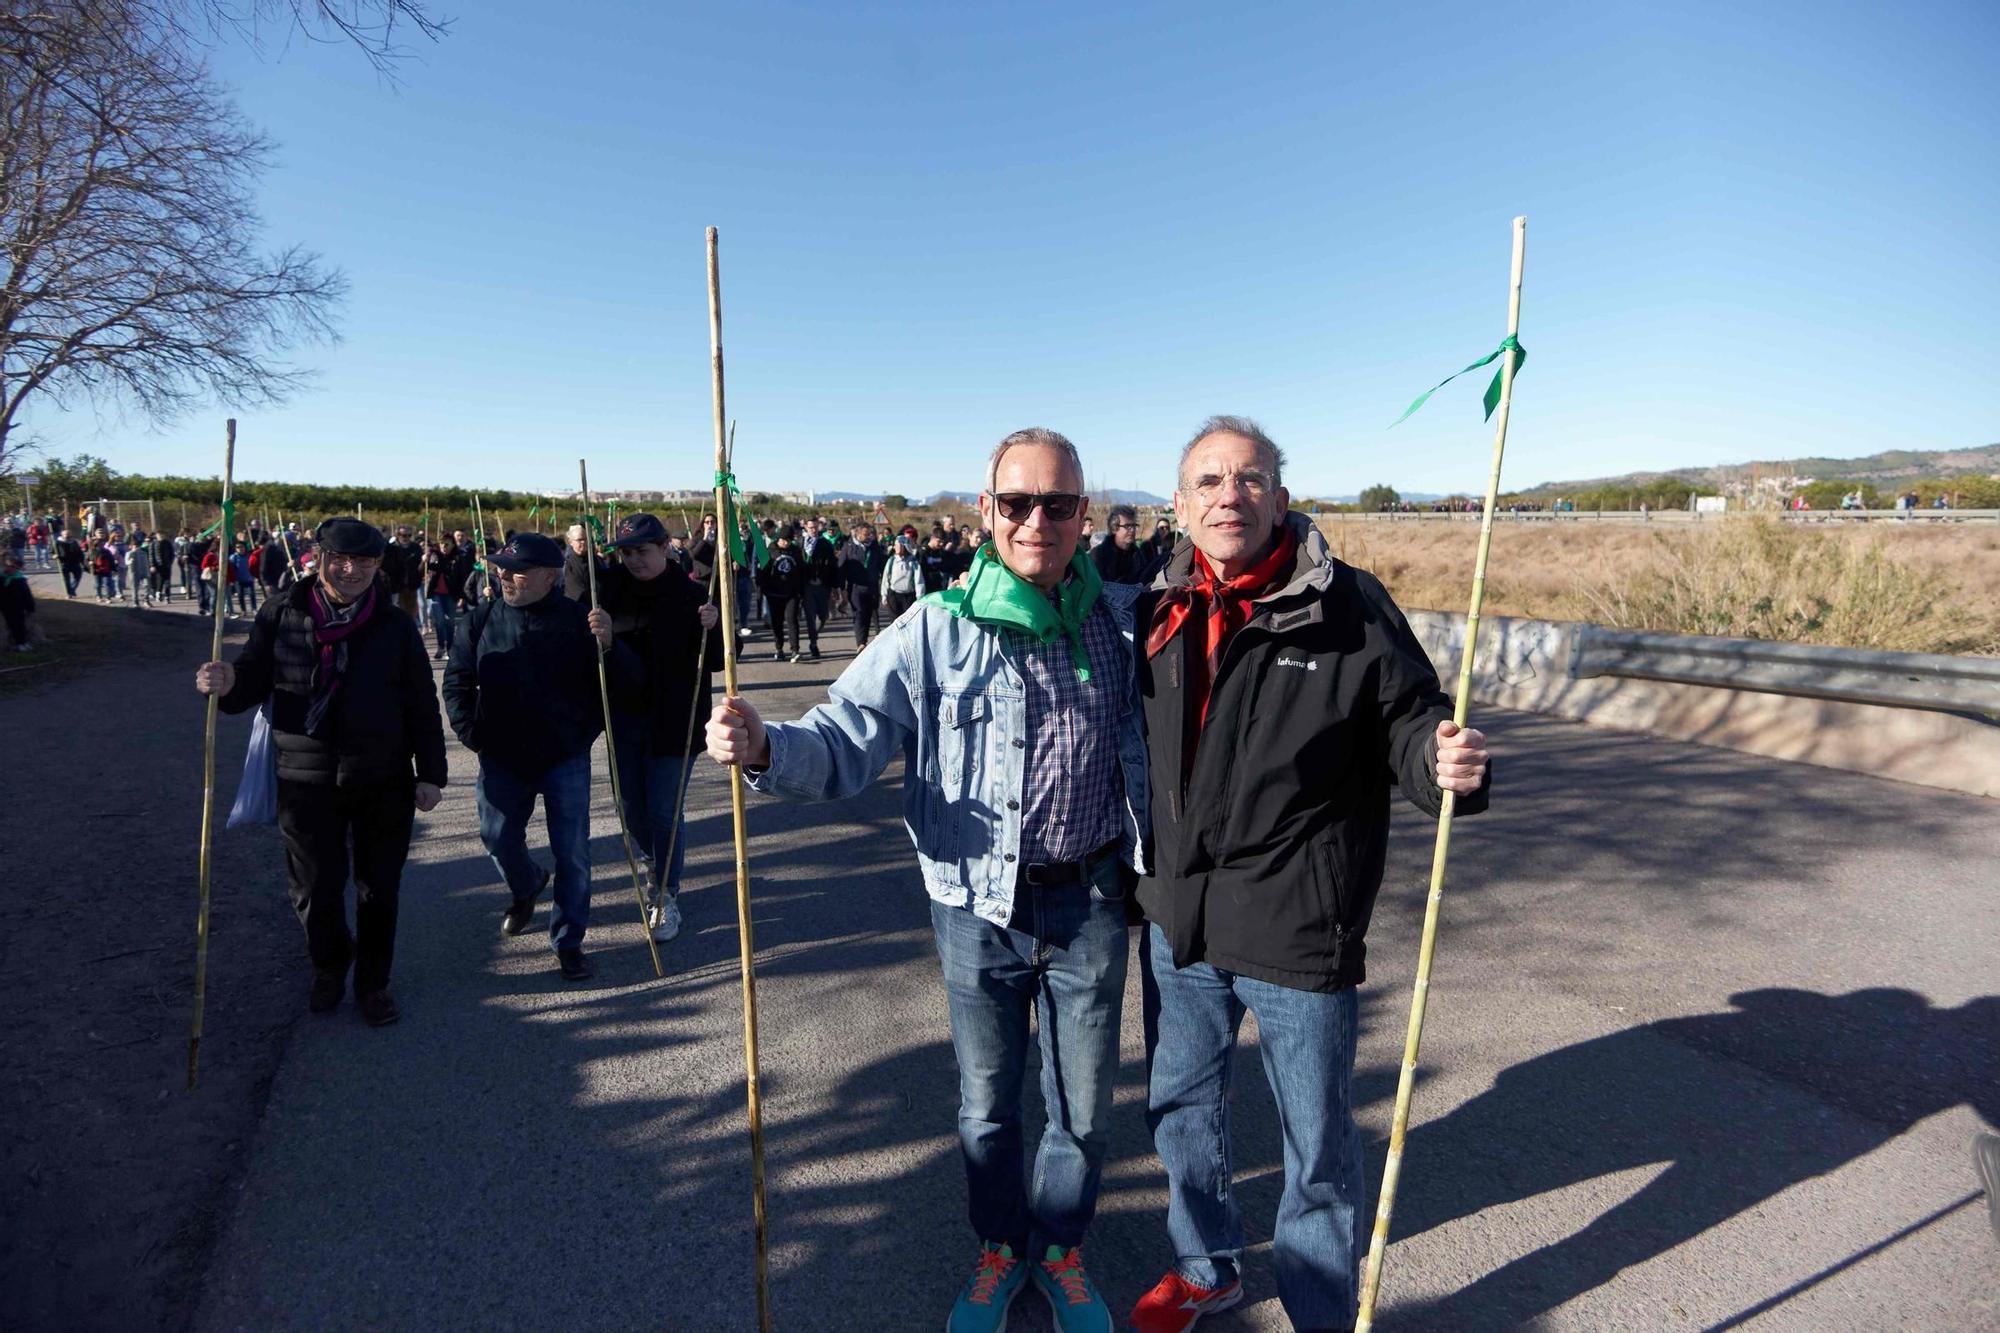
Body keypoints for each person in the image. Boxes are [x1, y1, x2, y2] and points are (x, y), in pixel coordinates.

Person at [707, 427, 1148, 1333]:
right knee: (988, 1105)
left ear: (1084, 516)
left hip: (1093, 900)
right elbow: (844, 736)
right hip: (974, 907)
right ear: (985, 512)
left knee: (1084, 1106)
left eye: (1058, 504)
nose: (1037, 521)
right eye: (1017, 503)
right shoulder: (935, 627)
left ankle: (1058, 1248)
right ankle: (999, 1248)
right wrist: (762, 747)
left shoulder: (1125, 620)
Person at [1124, 416, 1492, 1333]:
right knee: (1180, 1110)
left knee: (1317, 1144)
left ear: (1282, 498)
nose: (1228, 496)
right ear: (1178, 504)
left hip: (1296, 922)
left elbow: (1410, 718)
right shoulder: (1153, 608)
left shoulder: (1350, 606)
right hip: (1179, 921)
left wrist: (1439, 760)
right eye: (1207, 481)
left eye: (1250, 479)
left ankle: (1322, 1307)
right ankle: (1208, 1267)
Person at [193, 517, 448, 1027]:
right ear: (319, 557)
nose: (352, 570)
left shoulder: (394, 624)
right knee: (314, 887)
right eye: (341, 559)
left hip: (382, 776)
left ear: (378, 566)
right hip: (303, 776)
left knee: (378, 889)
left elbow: (421, 700)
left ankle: (373, 985)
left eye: (365, 562)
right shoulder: (281, 612)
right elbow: (249, 684)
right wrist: (223, 685)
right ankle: (330, 964)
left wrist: (432, 774)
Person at [442, 532, 637, 981]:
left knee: (572, 852)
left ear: (550, 576)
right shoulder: (479, 620)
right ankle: (527, 883)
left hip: (564, 755)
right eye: (501, 569)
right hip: (501, 756)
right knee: (497, 837)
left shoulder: (580, 622)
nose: (506, 577)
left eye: (518, 571)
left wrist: (610, 646)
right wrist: (473, 735)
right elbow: (456, 683)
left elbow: (622, 687)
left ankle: (568, 940)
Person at [599, 513, 723, 942]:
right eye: (627, 552)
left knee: (663, 811)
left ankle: (665, 893)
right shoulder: (608, 590)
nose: (634, 560)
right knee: (630, 808)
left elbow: (723, 658)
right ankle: (656, 862)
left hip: (676, 722)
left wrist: (717, 627)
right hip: (624, 719)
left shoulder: (692, 595)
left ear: (666, 546)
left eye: (642, 551)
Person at [758, 525, 812, 662]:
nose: (786, 543)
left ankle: (795, 650)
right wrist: (763, 589)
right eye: (783, 540)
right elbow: (762, 572)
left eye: (789, 540)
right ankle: (779, 648)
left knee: (792, 620)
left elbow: (802, 571)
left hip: (792, 594)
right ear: (779, 538)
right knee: (777, 622)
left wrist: (801, 590)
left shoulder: (795, 551)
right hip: (774, 594)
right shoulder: (770, 550)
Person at [838, 522, 887, 648]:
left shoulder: (875, 547)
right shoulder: (848, 547)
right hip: (855, 587)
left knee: (868, 614)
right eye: (865, 534)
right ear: (858, 534)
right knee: (859, 613)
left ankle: (863, 640)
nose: (868, 536)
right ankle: (861, 643)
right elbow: (841, 568)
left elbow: (883, 566)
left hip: (872, 586)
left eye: (869, 534)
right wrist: (841, 588)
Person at [1089, 504, 1153, 586]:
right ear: (1114, 528)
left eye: (1134, 525)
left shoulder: (1138, 555)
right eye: (1127, 526)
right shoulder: (1099, 555)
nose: (1132, 530)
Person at [802, 517, 838, 651]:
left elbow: (833, 565)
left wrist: (834, 586)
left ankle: (815, 633)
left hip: (823, 585)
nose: (813, 530)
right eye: (811, 527)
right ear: (805, 527)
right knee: (810, 615)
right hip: (807, 586)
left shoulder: (825, 543)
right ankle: (813, 642)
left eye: (816, 527)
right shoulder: (800, 543)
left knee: (823, 615)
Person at [423, 540, 463, 658]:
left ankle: (450, 648)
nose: (444, 547)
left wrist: (461, 596)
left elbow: (460, 577)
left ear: (452, 545)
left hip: (450, 594)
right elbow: (425, 569)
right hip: (436, 594)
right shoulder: (434, 556)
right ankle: (441, 646)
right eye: (442, 544)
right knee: (440, 621)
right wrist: (424, 560)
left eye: (446, 544)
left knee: (450, 622)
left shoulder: (456, 559)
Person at [384, 525, 424, 619]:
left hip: (412, 585)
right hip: (396, 586)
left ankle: (409, 631)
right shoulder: (391, 548)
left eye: (408, 535)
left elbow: (420, 567)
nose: (406, 538)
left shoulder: (416, 548)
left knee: (410, 613)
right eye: (403, 535)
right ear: (398, 535)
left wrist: (423, 561)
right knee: (398, 612)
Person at [880, 532, 922, 619]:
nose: (895, 547)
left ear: (904, 546)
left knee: (907, 621)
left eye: (898, 545)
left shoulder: (913, 562)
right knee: (895, 622)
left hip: (908, 597)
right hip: (893, 596)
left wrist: (919, 597)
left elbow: (919, 580)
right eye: (895, 545)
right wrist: (884, 595)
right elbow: (885, 579)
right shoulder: (891, 561)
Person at [562, 523, 606, 603]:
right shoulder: (568, 563)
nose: (583, 542)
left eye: (585, 539)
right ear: (571, 542)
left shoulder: (594, 559)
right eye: (579, 540)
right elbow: (575, 591)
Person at [1, 553, 34, 651]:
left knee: (19, 624)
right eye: (6, 567)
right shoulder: (2, 578)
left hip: (19, 606)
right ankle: (18, 642)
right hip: (6, 606)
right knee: (12, 624)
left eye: (12, 568)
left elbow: (27, 595)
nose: (8, 570)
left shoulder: (19, 580)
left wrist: (30, 607)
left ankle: (21, 643)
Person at [56, 532, 85, 598]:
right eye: (65, 534)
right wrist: (54, 555)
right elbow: (53, 551)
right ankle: (69, 593)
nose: (67, 535)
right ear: (62, 535)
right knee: (66, 580)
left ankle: (71, 590)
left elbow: (79, 552)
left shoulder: (74, 542)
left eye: (68, 534)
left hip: (75, 562)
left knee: (78, 576)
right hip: (64, 563)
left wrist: (82, 561)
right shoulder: (58, 542)